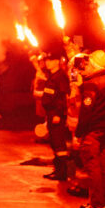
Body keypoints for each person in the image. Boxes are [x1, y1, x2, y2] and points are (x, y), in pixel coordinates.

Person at [73, 52, 105, 208]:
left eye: (80, 69)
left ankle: (97, 205)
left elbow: (86, 112)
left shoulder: (91, 85)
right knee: (104, 166)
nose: (80, 72)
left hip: (93, 131)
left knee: (94, 168)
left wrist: (79, 133)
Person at [39, 47, 72, 184]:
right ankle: (57, 169)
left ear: (57, 62)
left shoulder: (60, 76)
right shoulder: (52, 76)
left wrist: (58, 113)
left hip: (56, 114)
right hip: (51, 113)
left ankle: (63, 172)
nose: (48, 63)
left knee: (59, 143)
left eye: (50, 60)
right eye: (47, 60)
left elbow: (63, 97)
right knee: (54, 142)